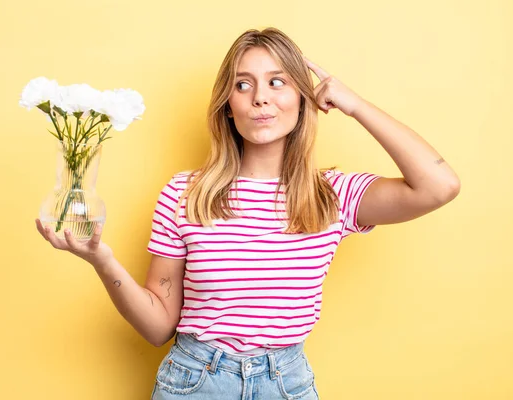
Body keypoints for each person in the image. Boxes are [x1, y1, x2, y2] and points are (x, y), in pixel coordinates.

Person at [35, 27, 460, 399]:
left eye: (278, 82)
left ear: (302, 98)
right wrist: (100, 258)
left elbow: (439, 186)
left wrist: (354, 104)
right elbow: (157, 328)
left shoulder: (333, 196)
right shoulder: (185, 194)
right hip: (194, 384)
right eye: (243, 85)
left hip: (287, 383)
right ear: (228, 104)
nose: (260, 98)